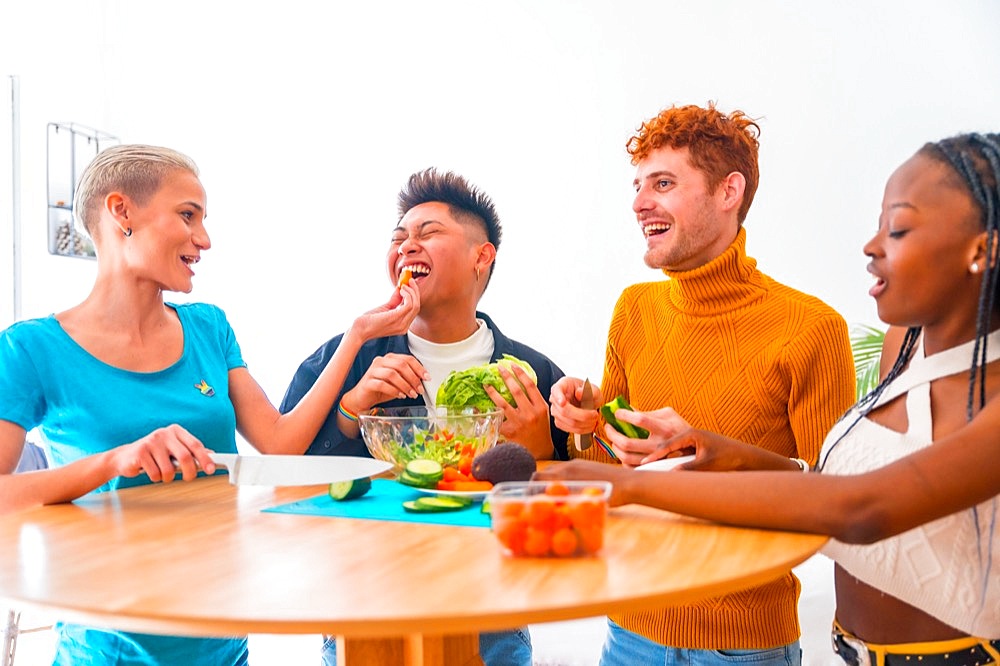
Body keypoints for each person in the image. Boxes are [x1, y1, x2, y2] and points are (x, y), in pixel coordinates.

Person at [540, 132, 1000, 666]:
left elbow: (860, 508)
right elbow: (821, 483)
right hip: (837, 650)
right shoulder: (905, 345)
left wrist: (632, 486)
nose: (871, 246)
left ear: (983, 249)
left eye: (897, 228)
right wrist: (710, 450)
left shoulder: (809, 327)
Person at [0, 144, 419, 665]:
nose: (204, 239)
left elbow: (281, 443)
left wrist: (355, 336)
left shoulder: (209, 328)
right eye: (187, 216)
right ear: (121, 212)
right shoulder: (30, 349)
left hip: (222, 645)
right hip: (105, 650)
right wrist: (113, 461)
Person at [548, 103, 857, 666]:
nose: (640, 203)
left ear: (728, 191)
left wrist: (704, 449)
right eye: (638, 185)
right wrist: (591, 420)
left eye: (663, 183)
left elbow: (835, 505)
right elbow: (621, 475)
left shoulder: (812, 328)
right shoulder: (634, 309)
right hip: (627, 632)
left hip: (742, 644)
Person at [280, 167, 569, 666]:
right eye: (399, 238)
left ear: (483, 257)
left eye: (428, 233)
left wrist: (541, 447)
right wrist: (351, 410)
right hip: (361, 611)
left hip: (491, 618)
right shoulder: (341, 360)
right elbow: (287, 474)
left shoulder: (534, 374)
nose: (407, 246)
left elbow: (570, 500)